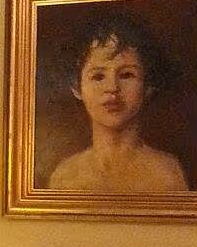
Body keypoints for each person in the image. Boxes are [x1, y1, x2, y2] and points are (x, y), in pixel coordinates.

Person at [48, 15, 188, 194]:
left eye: (127, 75)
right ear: (77, 88)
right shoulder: (64, 176)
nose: (112, 88)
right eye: (98, 76)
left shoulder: (168, 175)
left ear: (148, 86)